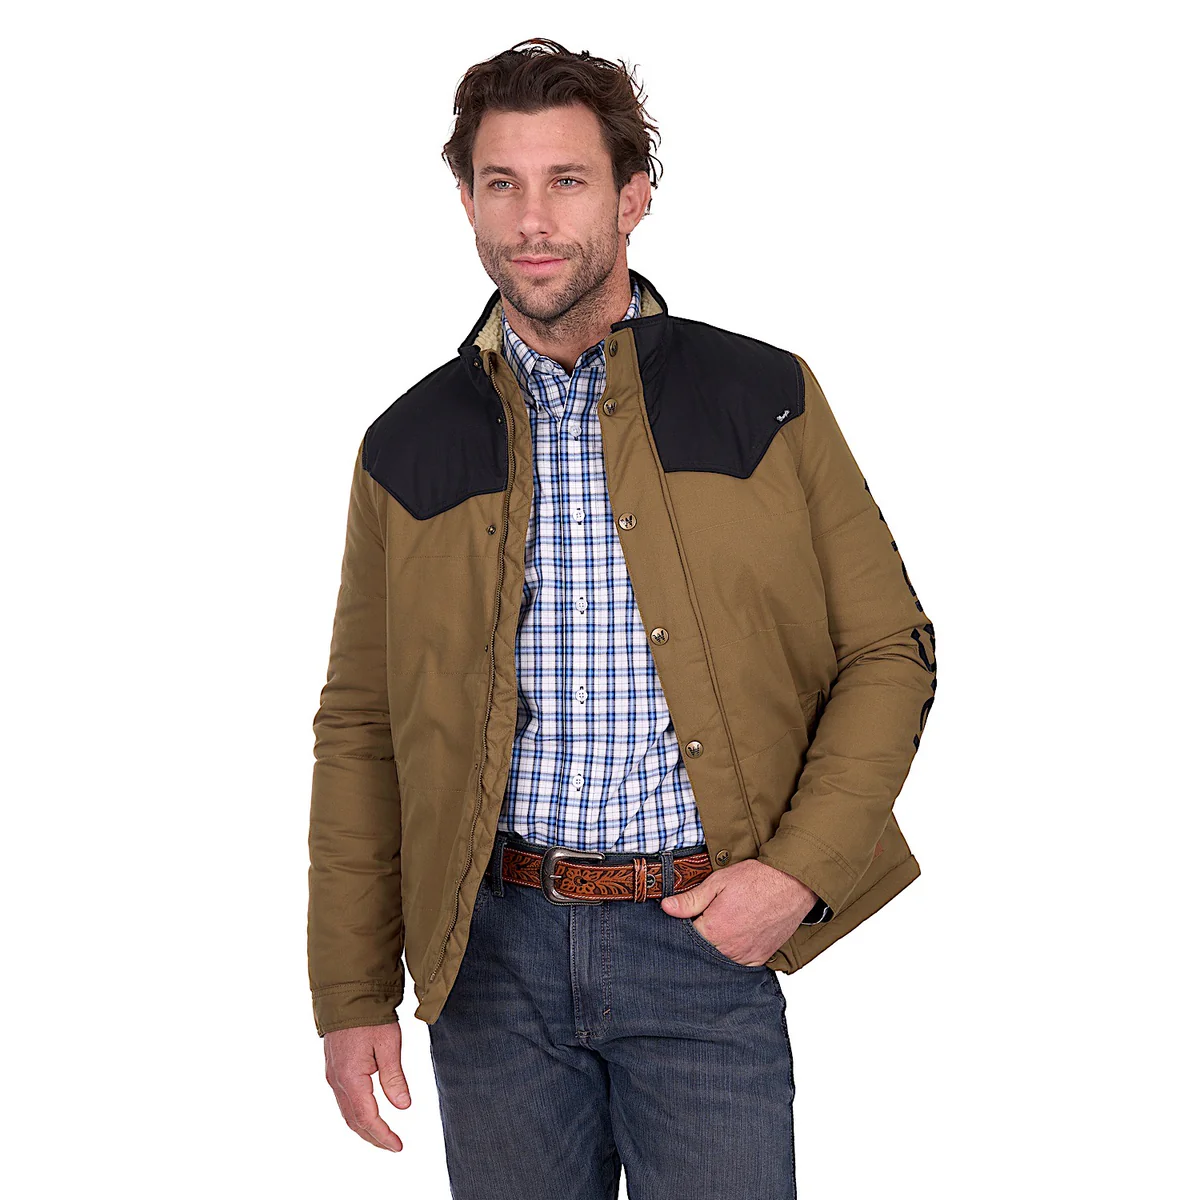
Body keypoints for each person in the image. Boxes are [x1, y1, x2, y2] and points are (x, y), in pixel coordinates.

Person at [308, 36, 937, 1200]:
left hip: (700, 941)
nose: (532, 220)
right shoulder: (407, 444)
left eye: (568, 180)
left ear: (633, 197)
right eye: (501, 183)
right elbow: (359, 727)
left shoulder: (765, 398)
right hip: (490, 960)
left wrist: (796, 873)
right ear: (466, 202)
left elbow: (888, 650)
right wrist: (350, 992)